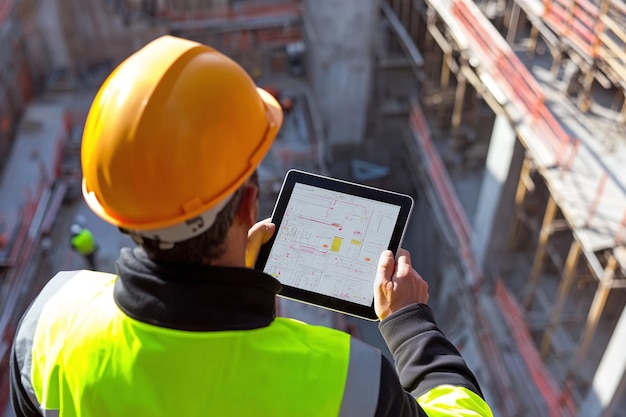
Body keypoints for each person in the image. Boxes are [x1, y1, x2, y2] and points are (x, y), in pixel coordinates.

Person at [10, 35, 493, 417]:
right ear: (248, 206)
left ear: (118, 210)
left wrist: (229, 278)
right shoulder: (345, 380)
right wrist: (409, 325)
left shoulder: (49, 325)